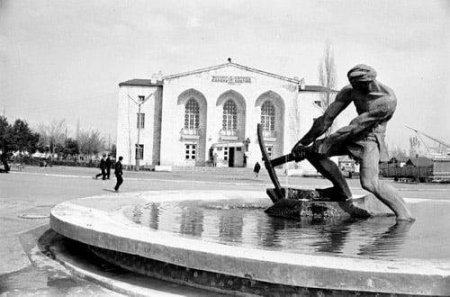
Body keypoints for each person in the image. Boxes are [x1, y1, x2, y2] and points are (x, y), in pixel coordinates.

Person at [291, 64, 414, 221]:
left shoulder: (386, 101)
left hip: (369, 139)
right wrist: (305, 142)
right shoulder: (350, 90)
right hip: (351, 135)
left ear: (368, 82)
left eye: (358, 86)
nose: (354, 89)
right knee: (313, 152)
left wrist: (326, 142)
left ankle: (404, 214)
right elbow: (326, 118)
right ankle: (341, 191)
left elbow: (356, 125)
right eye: (353, 85)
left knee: (369, 182)